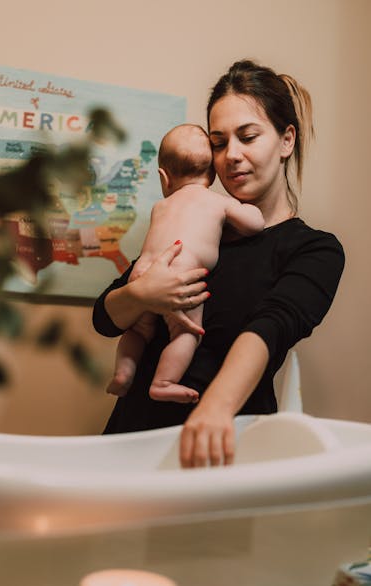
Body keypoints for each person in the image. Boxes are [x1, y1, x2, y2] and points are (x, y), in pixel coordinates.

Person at [92, 59, 345, 468]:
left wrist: (215, 407)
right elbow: (105, 318)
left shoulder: (314, 249)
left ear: (286, 140)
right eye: (219, 141)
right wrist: (139, 294)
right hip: (131, 445)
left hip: (225, 447)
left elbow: (271, 327)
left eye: (248, 137)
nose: (232, 156)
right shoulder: (196, 227)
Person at [106, 124, 264, 404]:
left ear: (164, 177)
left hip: (145, 274)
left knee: (138, 330)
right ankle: (164, 382)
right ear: (213, 174)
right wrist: (248, 210)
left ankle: (123, 372)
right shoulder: (216, 202)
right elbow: (254, 225)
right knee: (185, 333)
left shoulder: (160, 207)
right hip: (182, 276)